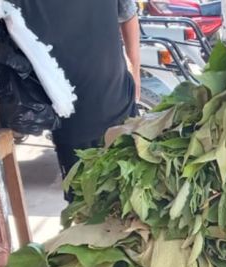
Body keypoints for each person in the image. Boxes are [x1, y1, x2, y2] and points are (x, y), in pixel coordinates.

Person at [14, 0, 141, 197]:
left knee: (128, 195)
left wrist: (135, 71)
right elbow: (129, 16)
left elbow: (128, 15)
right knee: (89, 202)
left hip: (115, 101)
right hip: (73, 114)